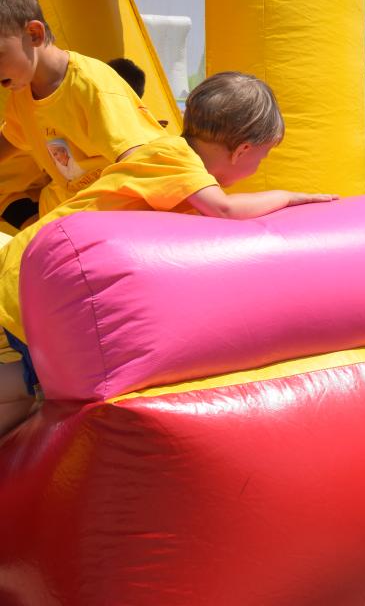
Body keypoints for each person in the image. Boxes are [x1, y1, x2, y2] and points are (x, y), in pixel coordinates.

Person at [0, 72, 336, 437]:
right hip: (37, 277)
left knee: (31, 384)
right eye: (263, 155)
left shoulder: (175, 165)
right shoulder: (173, 157)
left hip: (42, 274)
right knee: (43, 381)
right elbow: (226, 210)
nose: (259, 165)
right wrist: (288, 197)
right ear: (243, 150)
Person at [0, 0, 165, 217]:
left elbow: (140, 163)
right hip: (77, 207)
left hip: (123, 208)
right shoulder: (23, 95)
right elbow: (10, 138)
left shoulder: (90, 85)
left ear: (34, 34)